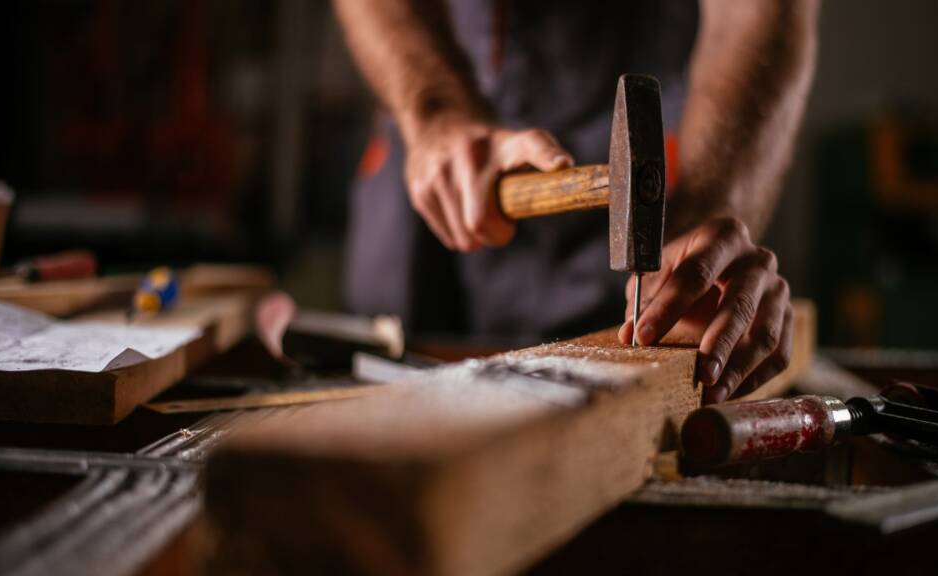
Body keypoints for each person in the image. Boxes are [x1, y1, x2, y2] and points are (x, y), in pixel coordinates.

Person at [334, 0, 818, 403]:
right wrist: (432, 106)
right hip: (430, 179)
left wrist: (710, 218)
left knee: (630, 389)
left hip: (668, 193)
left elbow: (756, 15)